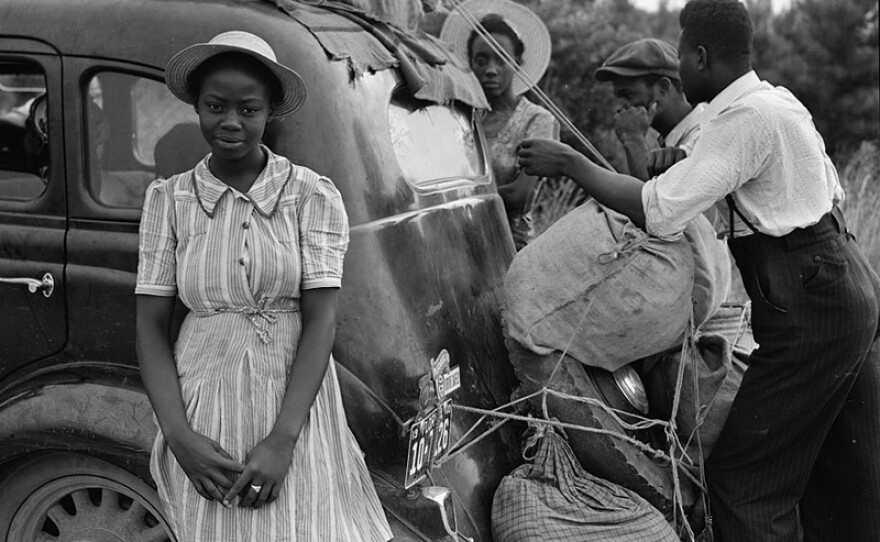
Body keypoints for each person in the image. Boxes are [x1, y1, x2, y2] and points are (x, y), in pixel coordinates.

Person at [515, 1, 880, 541]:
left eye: (682, 54)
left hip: (810, 304)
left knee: (744, 482)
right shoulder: (775, 103)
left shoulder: (741, 121)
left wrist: (570, 163)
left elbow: (658, 210)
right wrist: (678, 166)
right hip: (843, 282)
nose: (680, 70)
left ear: (700, 56)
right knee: (846, 466)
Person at [135, 31, 392, 541]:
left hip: (293, 406)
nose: (230, 122)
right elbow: (149, 325)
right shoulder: (169, 200)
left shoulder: (309, 195)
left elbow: (321, 319)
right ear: (196, 107)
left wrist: (283, 439)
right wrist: (179, 435)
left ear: (270, 112)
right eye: (215, 106)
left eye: (248, 109)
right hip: (203, 405)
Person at [441, 0, 559, 250]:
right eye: (481, 60)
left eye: (501, 59)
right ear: (471, 64)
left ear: (517, 61)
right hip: (459, 241)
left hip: (511, 246)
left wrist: (452, 198)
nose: (491, 70)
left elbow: (520, 196)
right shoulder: (461, 118)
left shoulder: (538, 120)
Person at [595, 38, 705, 180]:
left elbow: (650, 200)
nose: (620, 107)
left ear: (663, 87)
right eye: (618, 97)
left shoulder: (702, 138)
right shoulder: (665, 140)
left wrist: (633, 139)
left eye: (628, 95)